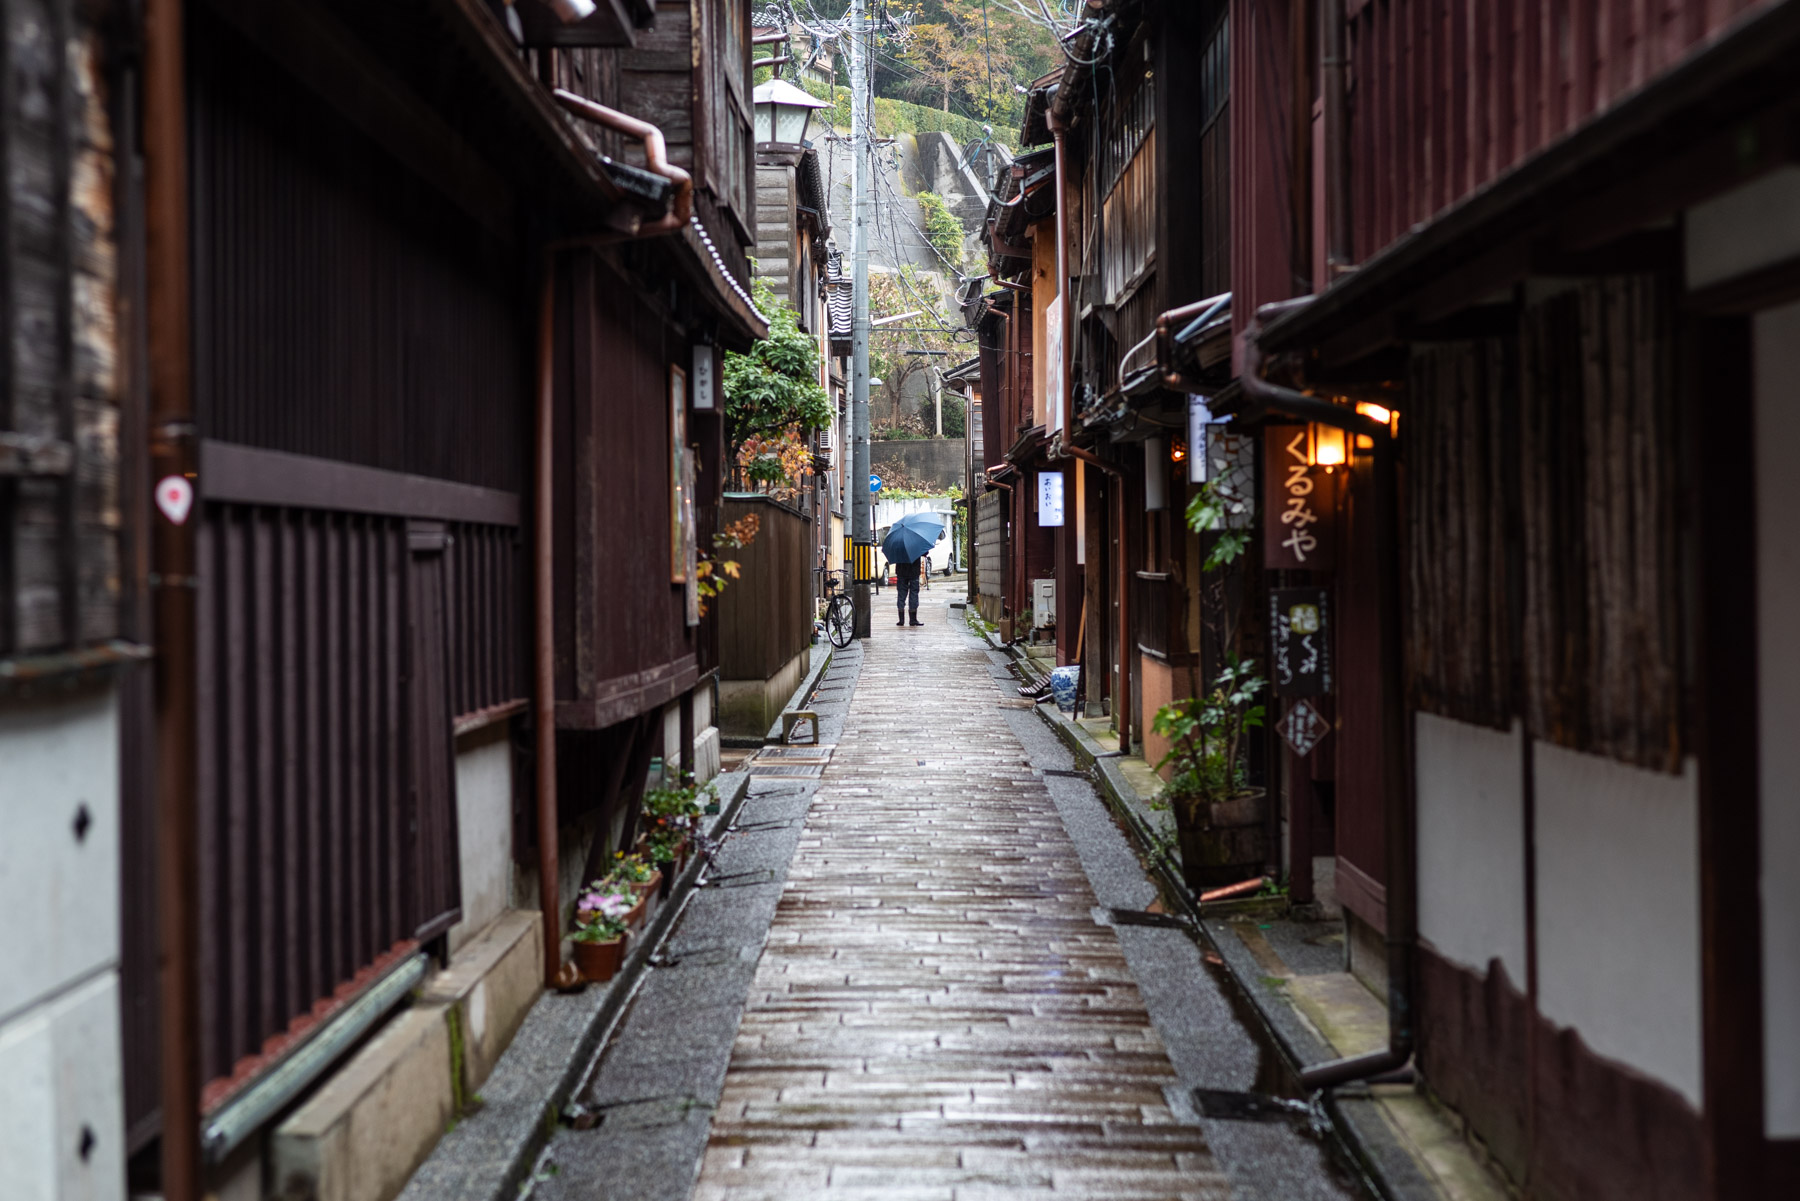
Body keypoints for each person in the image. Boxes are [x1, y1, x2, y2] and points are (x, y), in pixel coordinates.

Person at [894, 554, 925, 626]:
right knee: (914, 593)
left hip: (901, 570)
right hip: (914, 570)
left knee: (901, 594)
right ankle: (913, 619)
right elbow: (925, 553)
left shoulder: (898, 543)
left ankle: (901, 619)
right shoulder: (917, 543)